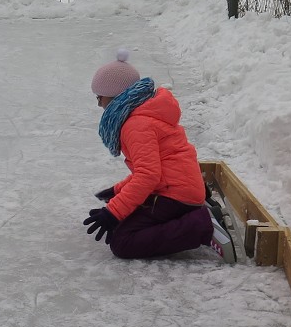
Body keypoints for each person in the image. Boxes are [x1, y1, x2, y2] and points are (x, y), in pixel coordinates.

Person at [82, 49, 236, 263]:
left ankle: (200, 225)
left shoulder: (136, 124)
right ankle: (194, 214)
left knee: (122, 240)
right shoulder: (144, 112)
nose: (98, 104)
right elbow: (155, 168)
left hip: (176, 195)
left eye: (100, 97)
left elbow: (148, 176)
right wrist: (118, 190)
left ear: (116, 95)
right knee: (124, 219)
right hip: (180, 187)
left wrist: (113, 212)